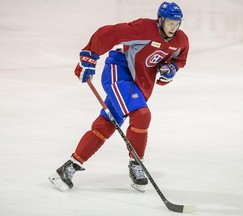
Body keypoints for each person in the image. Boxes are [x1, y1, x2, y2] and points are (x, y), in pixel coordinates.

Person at [49, 1, 189, 192]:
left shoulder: (181, 40)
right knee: (141, 115)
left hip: (139, 84)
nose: (174, 27)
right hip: (119, 73)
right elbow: (110, 33)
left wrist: (170, 69)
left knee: (106, 124)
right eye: (170, 23)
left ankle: (69, 167)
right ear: (160, 20)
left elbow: (179, 59)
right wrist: (90, 56)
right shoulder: (144, 28)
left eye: (177, 23)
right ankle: (136, 164)